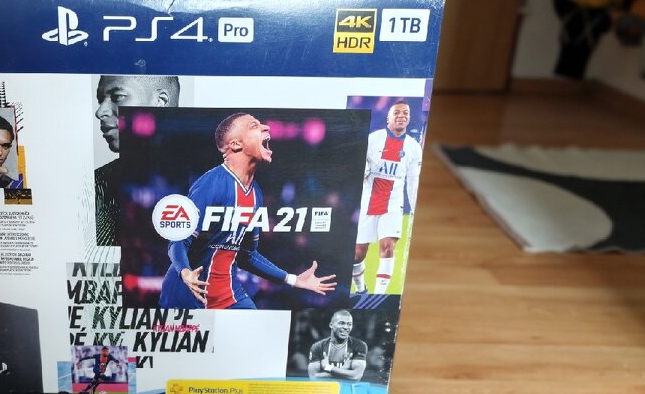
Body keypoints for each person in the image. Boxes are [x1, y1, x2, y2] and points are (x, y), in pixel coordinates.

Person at [160, 112, 336, 310]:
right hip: (189, 294)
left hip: (229, 296)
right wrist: (185, 272)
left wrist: (293, 279)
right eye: (254, 126)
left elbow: (247, 255)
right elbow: (179, 240)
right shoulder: (211, 184)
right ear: (236, 144)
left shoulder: (255, 194)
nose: (266, 127)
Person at [93, 75, 180, 246]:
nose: (100, 112)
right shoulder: (97, 184)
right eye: (100, 100)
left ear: (160, 102)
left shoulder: (216, 180)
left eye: (118, 97)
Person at [353, 101, 422, 295]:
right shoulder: (373, 139)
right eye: (397, 112)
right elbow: (358, 166)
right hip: (369, 200)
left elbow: (413, 182)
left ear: (409, 118)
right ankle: (361, 290)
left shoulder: (414, 147)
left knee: (388, 246)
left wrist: (415, 210)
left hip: (393, 203)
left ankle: (378, 296)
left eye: (405, 113)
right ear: (388, 118)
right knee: (357, 254)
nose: (401, 116)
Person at [308, 310, 367, 381]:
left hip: (347, 387)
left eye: (349, 324)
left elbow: (356, 376)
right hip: (325, 387)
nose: (346, 327)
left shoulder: (359, 345)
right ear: (331, 325)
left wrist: (328, 367)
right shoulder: (318, 346)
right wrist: (343, 370)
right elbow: (313, 377)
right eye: (341, 323)